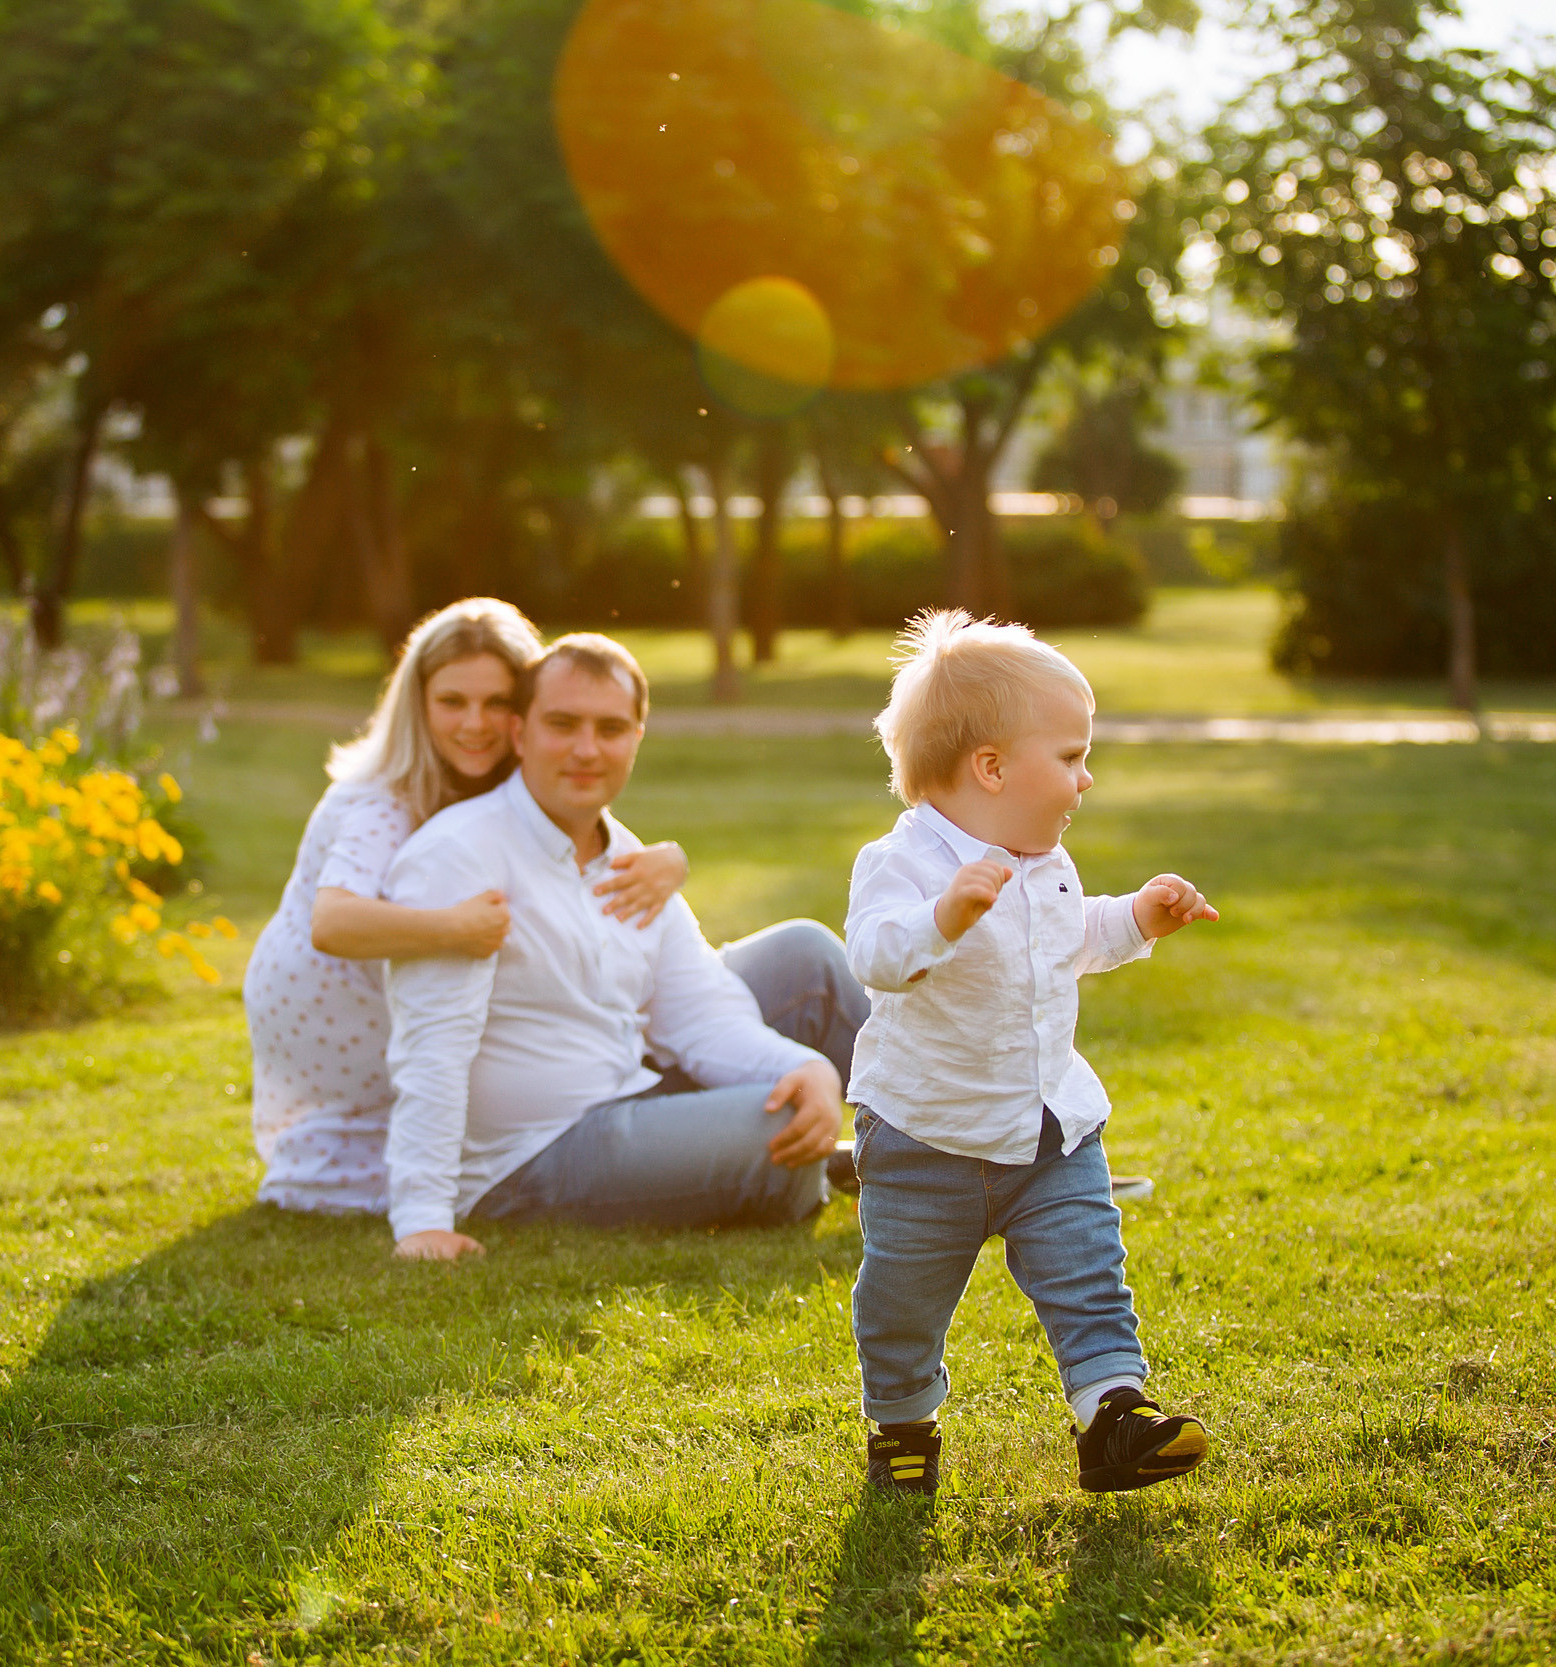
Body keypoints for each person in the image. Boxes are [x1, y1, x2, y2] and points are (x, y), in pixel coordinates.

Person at [841, 610, 1218, 1497]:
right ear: (993, 766)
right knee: (901, 1303)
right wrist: (947, 916)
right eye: (1072, 756)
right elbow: (876, 954)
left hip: (1051, 1133)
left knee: (1089, 1271)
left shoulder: (1047, 861)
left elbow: (1067, 940)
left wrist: (1136, 918)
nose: (1086, 779)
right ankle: (902, 1420)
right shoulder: (902, 863)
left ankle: (1113, 1416)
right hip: (926, 1139)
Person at [379, 633, 864, 1260]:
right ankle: (836, 1165)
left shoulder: (628, 858)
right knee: (781, 1134)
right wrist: (421, 1218)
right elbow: (432, 1047)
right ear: (519, 732)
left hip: (630, 1089)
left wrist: (804, 1070)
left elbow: (702, 1015)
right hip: (528, 1153)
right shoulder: (459, 856)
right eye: (563, 724)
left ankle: (950, 1147)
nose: (586, 749)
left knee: (804, 972)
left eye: (610, 728)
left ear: (637, 737)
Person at [244, 600, 690, 1215]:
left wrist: (669, 862)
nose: (475, 723)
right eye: (452, 702)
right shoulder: (383, 798)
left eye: (497, 703)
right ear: (417, 704)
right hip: (343, 1025)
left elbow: (579, 835)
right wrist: (451, 928)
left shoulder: (483, 785)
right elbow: (333, 922)